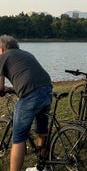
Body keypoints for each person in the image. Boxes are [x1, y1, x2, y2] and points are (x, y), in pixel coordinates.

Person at [0, 35, 52, 171]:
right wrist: (13, 88)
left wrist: (3, 90)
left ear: (1, 49)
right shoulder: (26, 53)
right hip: (47, 88)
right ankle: (43, 166)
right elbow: (27, 75)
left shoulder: (3, 57)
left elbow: (0, 87)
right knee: (42, 131)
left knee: (18, 138)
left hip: (30, 95)